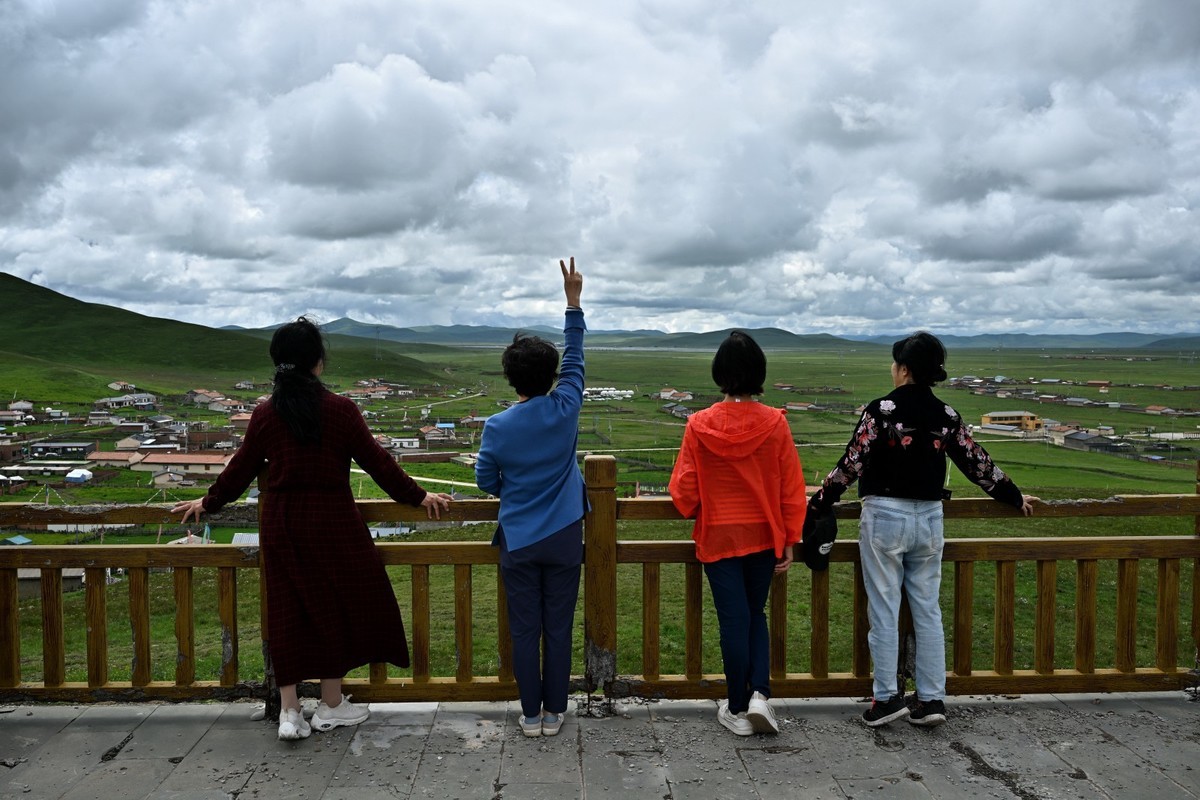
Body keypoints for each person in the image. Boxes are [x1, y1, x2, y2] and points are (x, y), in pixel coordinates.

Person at [173, 317, 452, 741]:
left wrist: (207, 502)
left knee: (288, 608)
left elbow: (241, 470)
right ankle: (332, 704)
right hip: (333, 520)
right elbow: (378, 464)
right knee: (338, 604)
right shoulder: (341, 410)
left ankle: (289, 711)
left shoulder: (266, 414)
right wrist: (419, 497)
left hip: (282, 522)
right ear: (317, 363)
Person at [808, 331, 1036, 728]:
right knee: (927, 610)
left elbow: (852, 462)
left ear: (905, 369)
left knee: (884, 609)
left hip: (885, 516)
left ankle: (887, 699)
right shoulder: (946, 415)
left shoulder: (882, 410)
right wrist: (1014, 496)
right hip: (930, 518)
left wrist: (819, 502)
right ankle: (931, 699)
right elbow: (976, 461)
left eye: (896, 364)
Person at [668, 331, 807, 736]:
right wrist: (789, 540)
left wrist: (697, 502)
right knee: (755, 614)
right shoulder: (775, 423)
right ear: (759, 374)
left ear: (720, 374)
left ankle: (735, 708)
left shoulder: (698, 425)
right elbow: (791, 488)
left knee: (733, 620)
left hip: (719, 537)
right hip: (764, 535)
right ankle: (760, 695)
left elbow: (686, 492)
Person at [475, 258, 587, 739]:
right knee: (558, 628)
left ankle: (530, 714)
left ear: (511, 379)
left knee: (525, 629)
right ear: (551, 376)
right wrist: (573, 302)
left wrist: (513, 492)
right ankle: (556, 712)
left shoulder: (497, 427)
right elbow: (577, 357)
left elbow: (484, 480)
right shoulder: (566, 407)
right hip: (565, 536)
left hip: (518, 538)